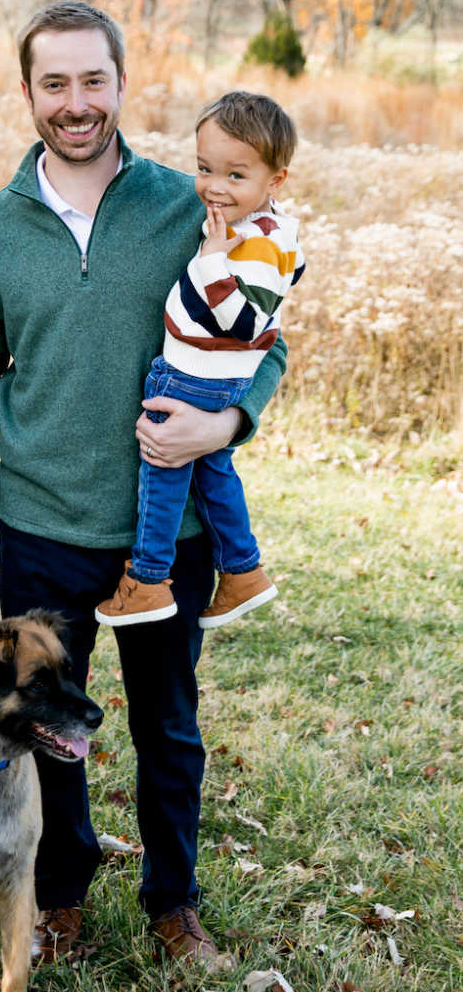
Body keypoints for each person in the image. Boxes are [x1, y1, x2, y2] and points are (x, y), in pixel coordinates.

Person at [0, 2, 287, 968]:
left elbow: (265, 341)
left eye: (94, 81)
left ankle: (175, 906)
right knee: (48, 730)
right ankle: (59, 899)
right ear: (29, 91)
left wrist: (230, 418)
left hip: (167, 540)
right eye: (56, 83)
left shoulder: (189, 207)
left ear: (123, 84)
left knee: (169, 728)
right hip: (45, 524)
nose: (76, 103)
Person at [96, 91, 304, 631]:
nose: (214, 186)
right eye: (205, 168)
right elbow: (291, 270)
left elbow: (247, 322)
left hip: (194, 374)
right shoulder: (269, 229)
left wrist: (211, 262)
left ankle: (147, 578)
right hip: (218, 377)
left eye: (236, 176)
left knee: (163, 469)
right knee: (213, 471)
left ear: (273, 181)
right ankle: (242, 570)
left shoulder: (253, 242)